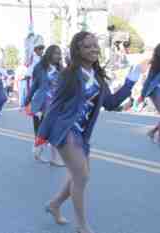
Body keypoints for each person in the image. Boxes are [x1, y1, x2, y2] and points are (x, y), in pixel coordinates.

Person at [33, 31, 144, 233]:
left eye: (95, 45)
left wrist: (130, 82)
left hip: (82, 133)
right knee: (81, 176)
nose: (93, 49)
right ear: (77, 50)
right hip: (65, 129)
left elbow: (110, 103)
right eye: (87, 46)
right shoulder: (69, 75)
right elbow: (55, 106)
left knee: (80, 176)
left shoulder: (99, 78)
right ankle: (81, 225)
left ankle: (54, 204)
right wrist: (41, 136)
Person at [25, 45, 65, 166]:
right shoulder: (40, 68)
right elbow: (35, 85)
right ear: (49, 54)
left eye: (60, 53)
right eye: (56, 53)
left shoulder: (60, 69)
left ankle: (53, 158)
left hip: (56, 104)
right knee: (44, 131)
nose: (59, 56)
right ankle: (39, 149)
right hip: (43, 104)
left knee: (55, 130)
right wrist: (27, 100)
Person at [138, 43, 160, 143]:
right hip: (155, 91)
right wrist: (142, 95)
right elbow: (148, 80)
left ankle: (153, 132)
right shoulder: (155, 65)